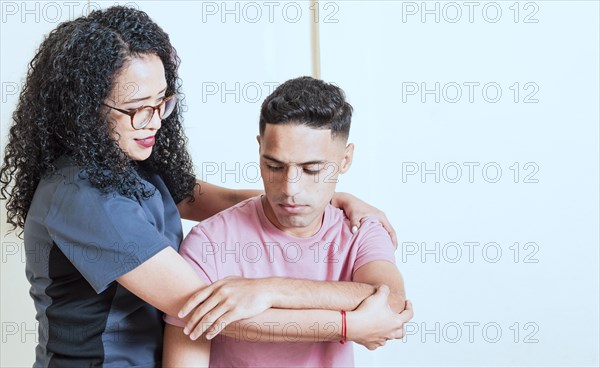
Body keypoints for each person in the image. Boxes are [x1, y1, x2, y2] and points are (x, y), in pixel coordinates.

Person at [0, 6, 401, 367]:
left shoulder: (129, 164)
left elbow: (214, 199)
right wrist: (348, 325)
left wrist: (329, 198)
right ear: (85, 108)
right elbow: (206, 309)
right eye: (137, 109)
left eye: (161, 102)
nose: (154, 120)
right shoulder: (82, 197)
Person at [163, 77, 412, 367]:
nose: (290, 189)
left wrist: (268, 290)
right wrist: (346, 321)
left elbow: (391, 301)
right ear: (259, 150)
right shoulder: (208, 242)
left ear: (345, 160)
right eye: (274, 166)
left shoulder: (360, 229)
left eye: (312, 169)